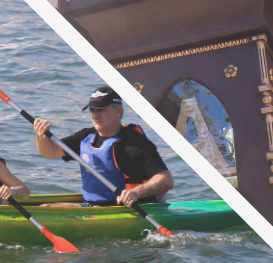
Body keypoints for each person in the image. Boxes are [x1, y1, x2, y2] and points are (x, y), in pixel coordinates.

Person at [33, 86, 174, 207]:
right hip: (94, 206)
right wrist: (41, 135)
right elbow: (50, 151)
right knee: (45, 206)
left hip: (129, 208)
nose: (95, 115)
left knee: (47, 207)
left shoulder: (135, 144)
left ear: (118, 111)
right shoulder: (85, 137)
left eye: (100, 110)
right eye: (92, 110)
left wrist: (136, 192)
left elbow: (166, 180)